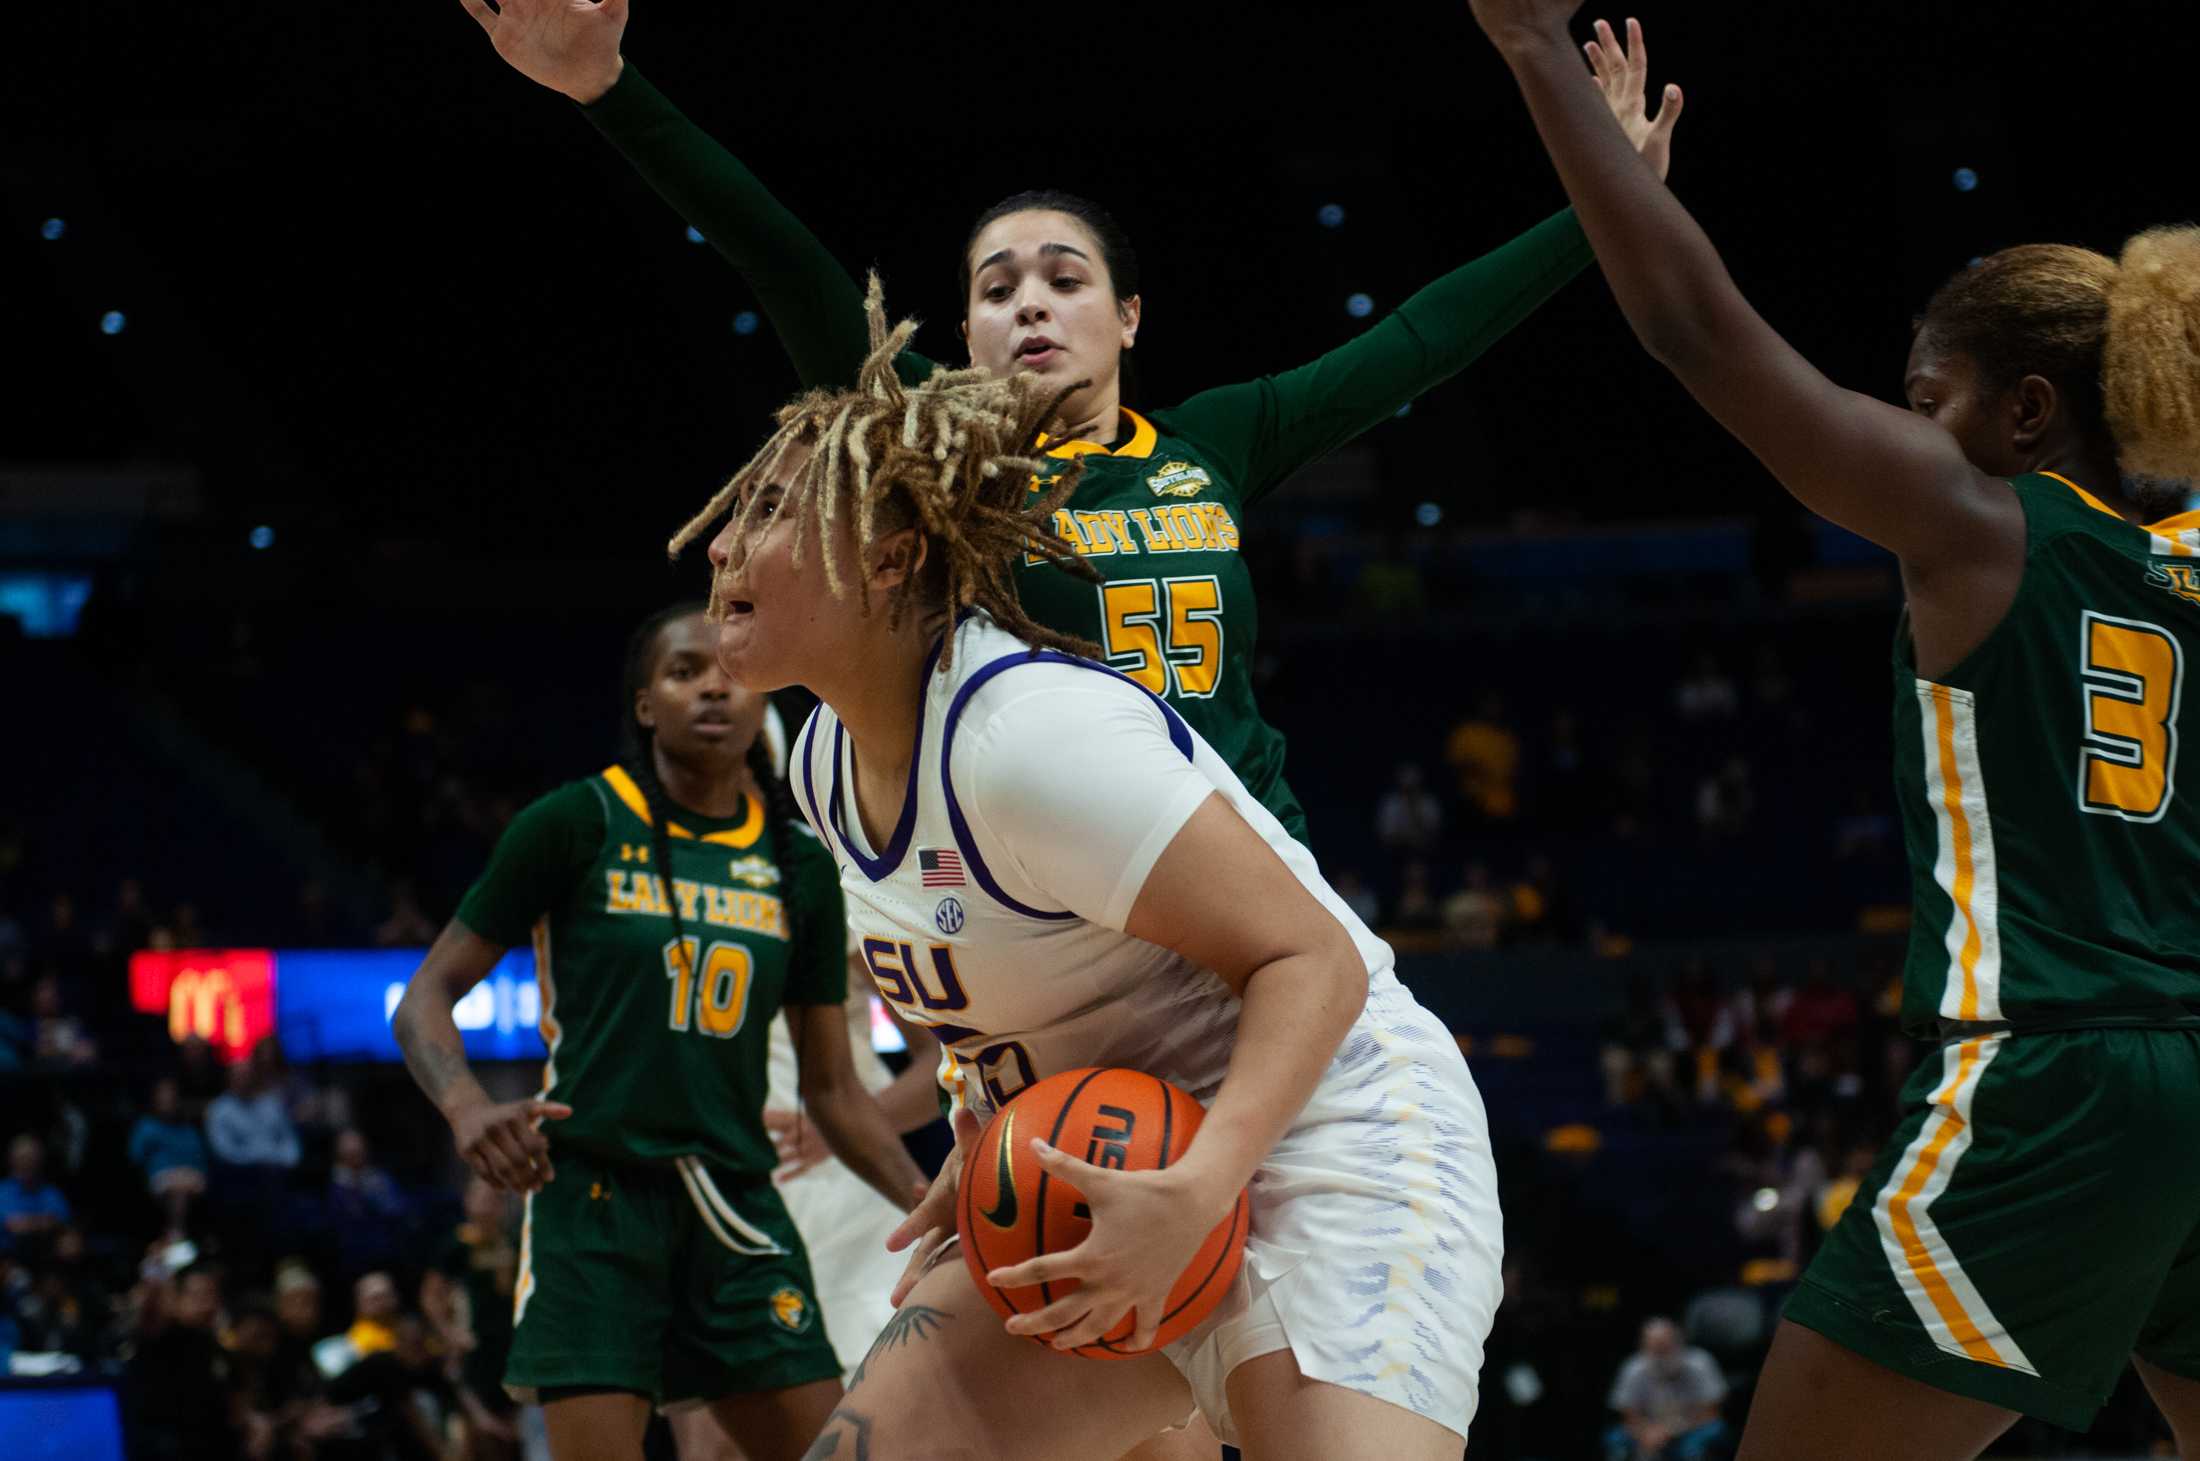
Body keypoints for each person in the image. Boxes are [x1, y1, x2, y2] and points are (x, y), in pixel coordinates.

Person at [1469, 3, 2200, 1454]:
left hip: (2053, 1072)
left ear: (2028, 410)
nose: (1905, 428)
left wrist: (1534, 51)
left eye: (1929, 399)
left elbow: (1698, 334)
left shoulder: (1986, 518)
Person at [452, 0, 1682, 850]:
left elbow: (1424, 336)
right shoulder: (933, 438)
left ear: (1128, 316)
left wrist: (1605, 201)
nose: (1029, 303)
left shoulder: (1218, 437)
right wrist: (609, 91)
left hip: (1255, 871)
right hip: (1043, 894)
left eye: (1063, 278)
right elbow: (779, 255)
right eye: (996, 289)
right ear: (966, 335)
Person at [680, 293, 1504, 1460]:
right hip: (1102, 1164)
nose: (718, 543)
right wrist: (978, 1128)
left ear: (892, 555)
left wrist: (1206, 1184)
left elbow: (1309, 957)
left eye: (766, 512)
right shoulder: (820, 764)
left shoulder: (1024, 735)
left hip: (1324, 1142)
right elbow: (999, 991)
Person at [392, 603, 926, 1461]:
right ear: (646, 705)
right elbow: (426, 998)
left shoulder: (800, 867)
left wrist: (928, 1203)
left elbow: (833, 1089)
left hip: (739, 1204)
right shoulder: (575, 823)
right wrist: (464, 1108)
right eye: (684, 672)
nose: (713, 685)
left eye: (730, 673)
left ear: (761, 705)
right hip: (596, 1200)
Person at [1603, 1318, 1731, 1461]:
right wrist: (1647, 1432)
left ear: (1678, 1342)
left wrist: (1670, 1430)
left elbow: (1710, 1413)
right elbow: (1629, 1415)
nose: (1661, 1354)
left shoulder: (1700, 1363)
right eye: (1655, 1348)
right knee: (1616, 1440)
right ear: (1643, 1347)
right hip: (1648, 1429)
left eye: (1665, 1347)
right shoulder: (1633, 1368)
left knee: (1707, 1436)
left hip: (1691, 1427)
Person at [128, 1077, 212, 1238]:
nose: (167, 1101)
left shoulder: (187, 1129)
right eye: (163, 1097)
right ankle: (177, 1236)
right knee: (179, 1191)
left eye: (171, 1097)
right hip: (160, 1177)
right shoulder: (146, 1126)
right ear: (155, 1099)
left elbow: (200, 1158)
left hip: (191, 1176)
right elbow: (135, 1157)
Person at [0, 1133, 72, 1264]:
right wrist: (44, 1222)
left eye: (32, 1159)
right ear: (11, 1160)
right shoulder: (2, 1191)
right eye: (22, 1158)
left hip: (45, 1257)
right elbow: (14, 1226)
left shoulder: (51, 1193)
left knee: (70, 1245)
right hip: (7, 1258)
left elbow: (63, 1221)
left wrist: (29, 1223)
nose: (27, 1164)